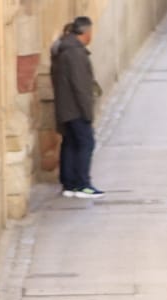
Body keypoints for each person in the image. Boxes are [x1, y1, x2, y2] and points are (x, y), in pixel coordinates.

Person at [50, 17, 103, 199]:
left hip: (65, 107)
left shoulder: (65, 49)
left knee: (71, 143)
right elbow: (80, 86)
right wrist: (87, 113)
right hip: (75, 109)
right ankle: (82, 184)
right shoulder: (75, 53)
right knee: (86, 143)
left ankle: (69, 184)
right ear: (86, 33)